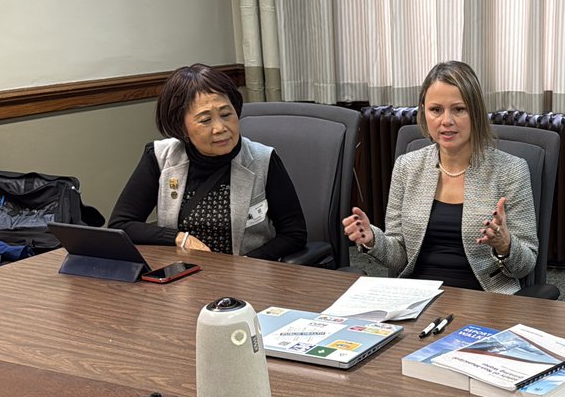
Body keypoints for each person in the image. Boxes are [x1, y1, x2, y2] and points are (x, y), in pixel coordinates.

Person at [342, 61, 539, 293]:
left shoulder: (511, 170)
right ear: (424, 112)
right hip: (416, 297)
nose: (446, 121)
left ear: (475, 113)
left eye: (458, 109)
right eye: (436, 110)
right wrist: (372, 239)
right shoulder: (407, 166)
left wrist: (505, 245)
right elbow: (400, 257)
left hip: (484, 298)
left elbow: (525, 266)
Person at [109, 64, 307, 260]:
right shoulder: (161, 157)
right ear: (182, 127)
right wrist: (179, 238)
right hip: (183, 276)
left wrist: (247, 264)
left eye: (226, 114)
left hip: (247, 275)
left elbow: (294, 234)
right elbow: (121, 224)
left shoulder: (263, 159)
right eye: (205, 120)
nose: (220, 128)